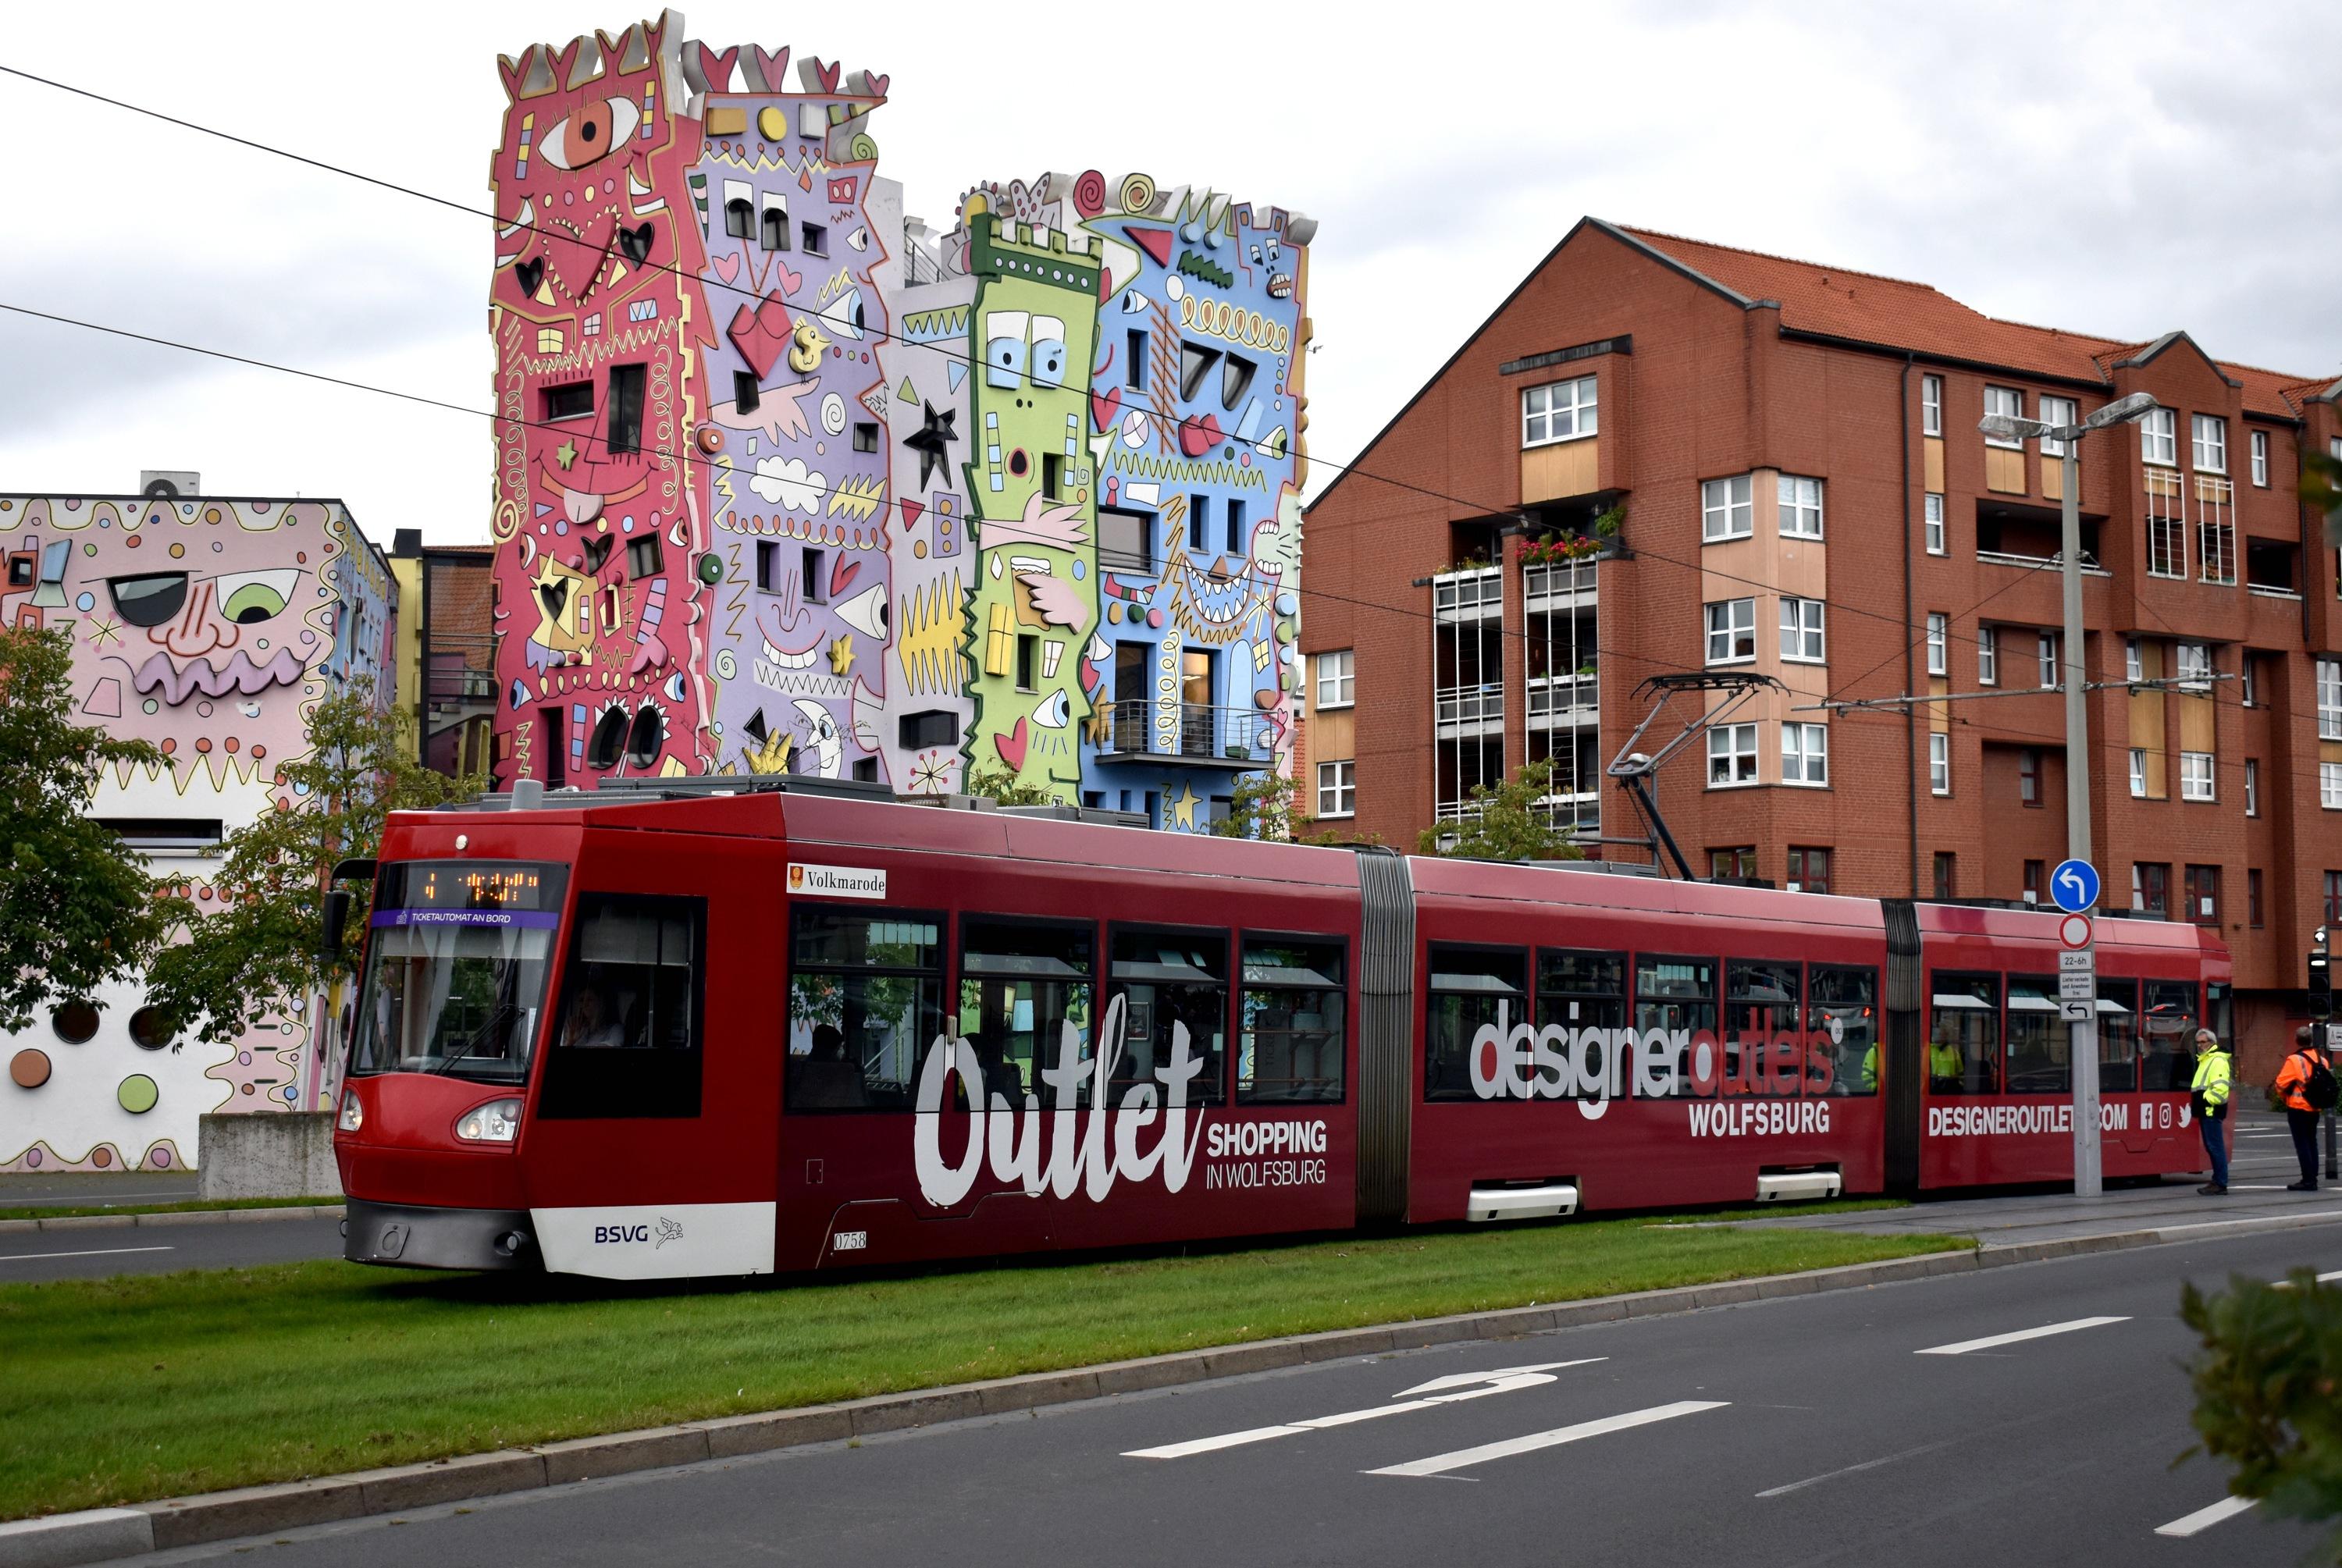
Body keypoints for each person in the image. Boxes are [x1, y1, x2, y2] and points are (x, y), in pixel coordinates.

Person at [2274, 1024, 2335, 1192]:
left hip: (2297, 1107)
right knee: (2312, 1142)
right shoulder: (2322, 1060)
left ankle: (2308, 1180)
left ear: (2296, 1040)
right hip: (2314, 1108)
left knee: (2302, 1144)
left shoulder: (2294, 1060)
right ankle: (2312, 1177)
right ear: (2311, 1040)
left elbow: (2280, 1084)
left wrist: (2285, 1098)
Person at [2188, 1028, 2231, 1195]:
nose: (2200, 1045)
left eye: (2203, 1042)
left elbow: (2220, 1091)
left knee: (2215, 1147)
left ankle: (2220, 1183)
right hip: (2206, 1111)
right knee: (2211, 1147)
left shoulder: (2217, 1060)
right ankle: (2217, 1181)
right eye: (2198, 1043)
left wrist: (2205, 1100)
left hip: (2211, 1111)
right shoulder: (2205, 1060)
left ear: (2211, 1042)